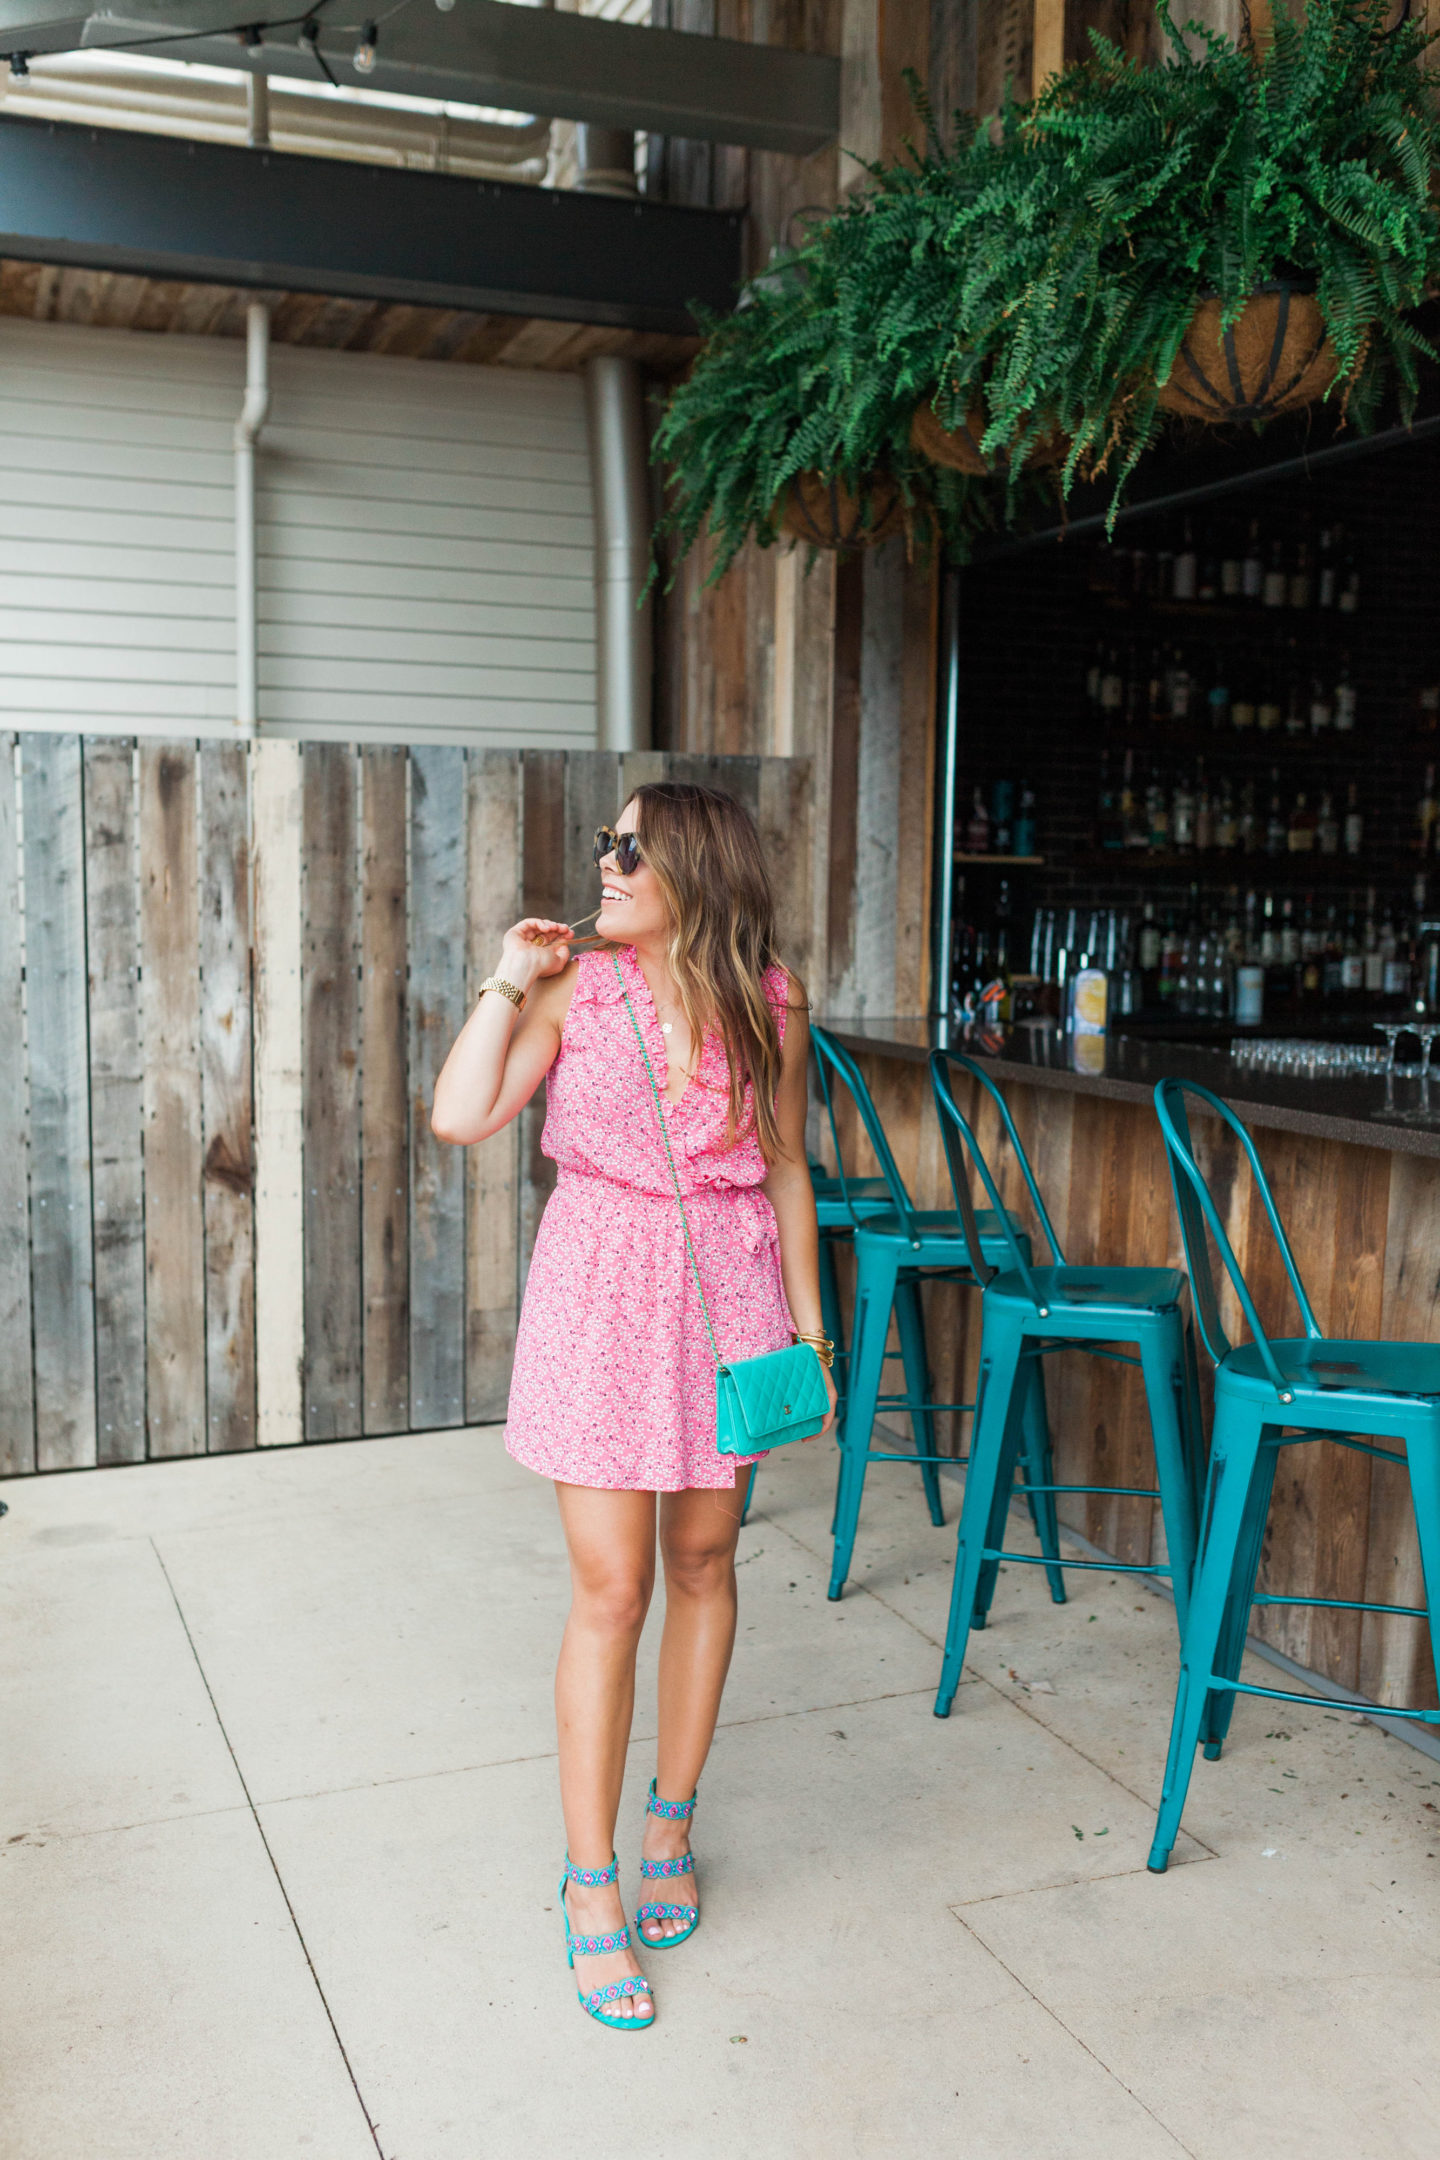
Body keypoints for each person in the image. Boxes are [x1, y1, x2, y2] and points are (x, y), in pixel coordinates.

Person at [431, 782, 836, 2031]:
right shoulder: (572, 989)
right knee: (614, 1588)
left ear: (694, 873)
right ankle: (590, 1878)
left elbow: (781, 1168)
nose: (603, 863)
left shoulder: (771, 1001)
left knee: (706, 1560)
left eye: (628, 847)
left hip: (730, 1299)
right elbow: (457, 1116)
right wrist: (505, 976)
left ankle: (672, 1819)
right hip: (601, 1292)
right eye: (606, 844)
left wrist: (813, 1335)